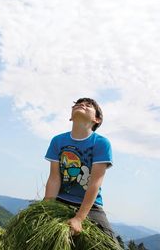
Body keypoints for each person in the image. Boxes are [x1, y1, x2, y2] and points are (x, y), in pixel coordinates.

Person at [44, 98, 116, 239]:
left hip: (90, 206)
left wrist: (79, 218)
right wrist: (46, 207)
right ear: (71, 117)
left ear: (97, 119)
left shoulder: (101, 143)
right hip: (60, 199)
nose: (81, 105)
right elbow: (54, 178)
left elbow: (95, 183)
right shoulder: (58, 141)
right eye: (77, 104)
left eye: (88, 105)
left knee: (108, 242)